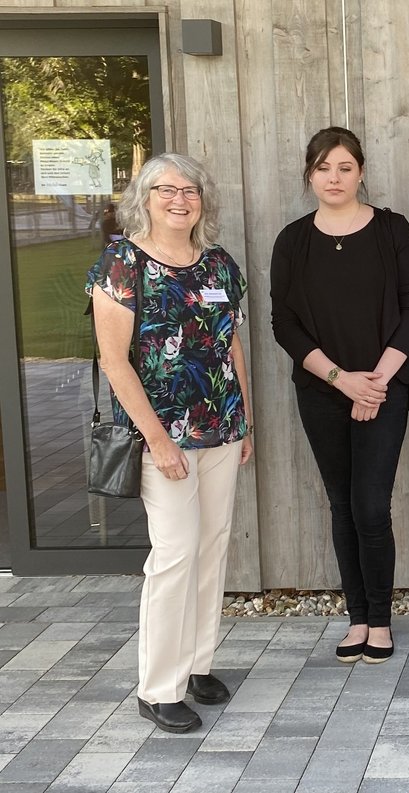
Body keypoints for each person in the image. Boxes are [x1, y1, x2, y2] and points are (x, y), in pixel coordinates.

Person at [86, 153, 253, 733]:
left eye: (190, 190)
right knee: (176, 553)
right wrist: (157, 439)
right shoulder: (123, 262)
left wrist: (245, 420)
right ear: (144, 197)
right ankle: (158, 686)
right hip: (163, 438)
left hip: (221, 430)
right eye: (166, 190)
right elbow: (114, 359)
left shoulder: (220, 265)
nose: (179, 199)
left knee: (213, 546)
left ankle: (199, 664)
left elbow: (231, 347)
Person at [270, 127, 409, 664]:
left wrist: (375, 382)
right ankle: (355, 616)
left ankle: (380, 620)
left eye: (343, 167)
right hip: (322, 392)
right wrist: (342, 380)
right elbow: (283, 324)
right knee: (341, 504)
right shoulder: (292, 240)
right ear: (308, 175)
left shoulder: (392, 229)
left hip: (386, 388)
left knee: (370, 505)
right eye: (322, 168)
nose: (333, 178)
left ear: (361, 172)